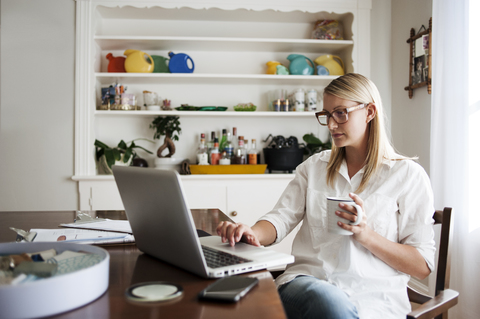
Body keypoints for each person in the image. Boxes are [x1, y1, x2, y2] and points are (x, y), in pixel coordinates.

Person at [216, 73, 435, 319]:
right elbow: (281, 217)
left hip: (374, 300)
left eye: (341, 113)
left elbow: (422, 266)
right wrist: (252, 232)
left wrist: (366, 235)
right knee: (328, 304)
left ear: (370, 112)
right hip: (306, 284)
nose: (331, 124)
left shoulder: (407, 175)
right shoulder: (314, 167)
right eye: (327, 115)